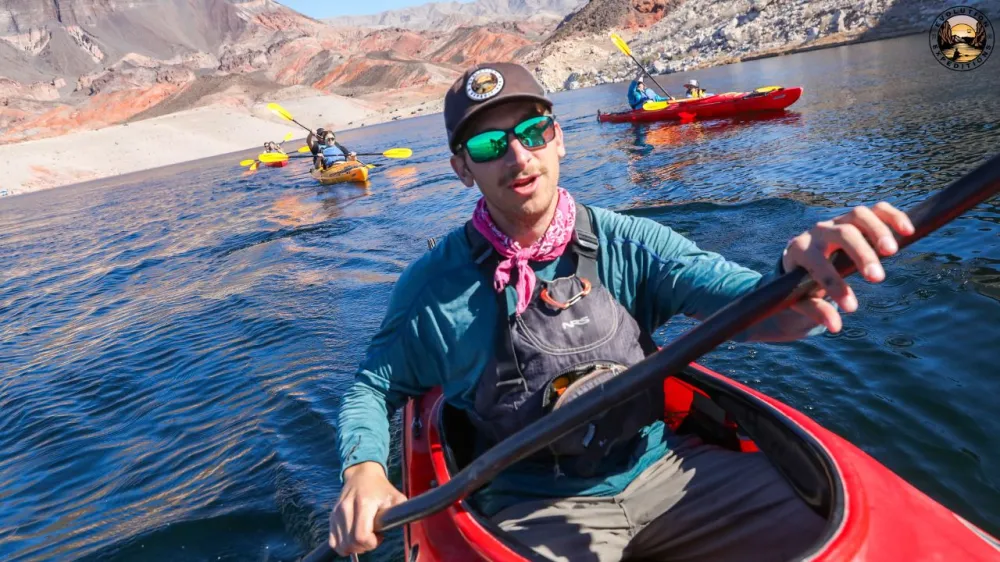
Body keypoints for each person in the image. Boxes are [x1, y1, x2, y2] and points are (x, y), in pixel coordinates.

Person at [328, 62, 915, 561]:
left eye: (533, 130)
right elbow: (375, 385)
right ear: (463, 169)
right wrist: (364, 470)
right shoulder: (431, 287)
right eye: (487, 144)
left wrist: (798, 281)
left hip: (667, 472)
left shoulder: (632, 244)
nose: (516, 154)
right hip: (531, 504)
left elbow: (759, 311)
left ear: (558, 138)